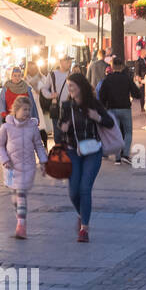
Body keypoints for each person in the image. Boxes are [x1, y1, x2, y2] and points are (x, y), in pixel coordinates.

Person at [57, 73, 115, 243]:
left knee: (84, 188)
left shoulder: (93, 104)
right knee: (73, 191)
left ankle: (85, 229)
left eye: (72, 86)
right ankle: (81, 214)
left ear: (80, 86)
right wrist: (63, 129)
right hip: (73, 151)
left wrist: (97, 117)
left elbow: (109, 123)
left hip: (92, 151)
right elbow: (60, 131)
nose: (70, 89)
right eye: (68, 86)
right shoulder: (66, 106)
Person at [0, 95, 48, 239]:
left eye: (29, 110)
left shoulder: (33, 127)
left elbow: (39, 145)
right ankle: (20, 217)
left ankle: (21, 225)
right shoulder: (6, 127)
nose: (27, 113)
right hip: (11, 166)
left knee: (21, 194)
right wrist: (4, 160)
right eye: (24, 109)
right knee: (16, 196)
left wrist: (43, 161)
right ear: (16, 110)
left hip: (28, 166)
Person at [98, 56, 142, 165]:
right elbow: (137, 93)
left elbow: (102, 96)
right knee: (128, 132)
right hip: (125, 109)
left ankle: (117, 158)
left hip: (112, 109)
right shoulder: (126, 78)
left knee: (116, 133)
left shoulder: (108, 79)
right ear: (122, 66)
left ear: (112, 66)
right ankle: (125, 154)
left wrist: (104, 106)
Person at [40, 56, 74, 144]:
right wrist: (51, 95)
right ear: (61, 62)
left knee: (68, 133)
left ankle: (67, 154)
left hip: (69, 107)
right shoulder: (52, 75)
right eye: (67, 61)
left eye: (70, 61)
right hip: (56, 107)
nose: (69, 64)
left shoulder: (72, 74)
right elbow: (44, 89)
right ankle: (59, 153)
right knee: (58, 133)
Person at [0, 64, 40, 128]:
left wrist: (35, 117)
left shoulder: (26, 88)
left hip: (24, 118)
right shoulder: (6, 88)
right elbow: (1, 101)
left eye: (19, 76)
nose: (17, 78)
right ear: (11, 76)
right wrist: (3, 112)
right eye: (15, 76)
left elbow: (32, 103)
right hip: (10, 118)